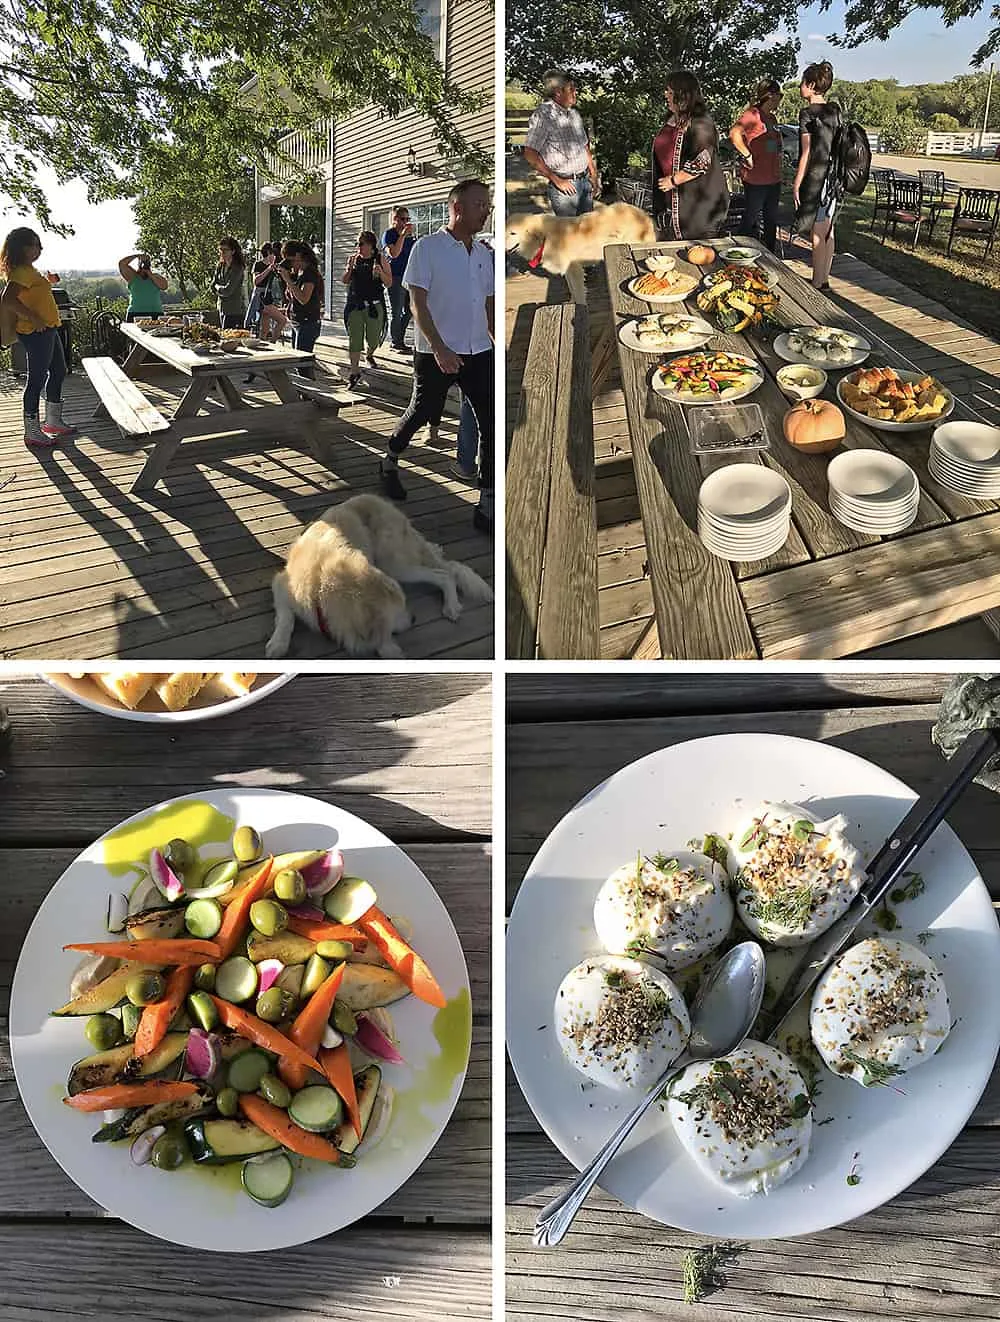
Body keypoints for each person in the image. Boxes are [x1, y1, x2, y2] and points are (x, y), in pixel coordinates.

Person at [379, 179, 494, 534]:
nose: (486, 210)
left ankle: (487, 501)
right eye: (480, 205)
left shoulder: (484, 254)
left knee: (491, 421)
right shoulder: (427, 248)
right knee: (423, 410)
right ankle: (390, 459)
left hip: (479, 350)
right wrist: (440, 347)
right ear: (457, 208)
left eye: (487, 205)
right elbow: (417, 303)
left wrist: (498, 341)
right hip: (436, 352)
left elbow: (488, 302)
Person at [0, 226, 77, 448]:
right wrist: (33, 318)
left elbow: (31, 293)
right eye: (34, 244)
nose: (39, 249)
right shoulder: (22, 272)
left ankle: (53, 421)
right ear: (21, 247)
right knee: (36, 379)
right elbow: (8, 299)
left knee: (59, 370)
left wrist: (47, 282)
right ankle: (32, 431)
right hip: (36, 332)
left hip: (48, 329)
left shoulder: (28, 270)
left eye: (39, 245)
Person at [652, 71, 730, 240]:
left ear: (683, 95)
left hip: (700, 205)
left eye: (670, 91)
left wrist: (673, 180)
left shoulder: (700, 122)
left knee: (700, 255)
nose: (666, 95)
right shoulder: (673, 119)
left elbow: (703, 160)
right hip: (674, 201)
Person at [523, 71, 599, 217]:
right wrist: (556, 180)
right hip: (564, 187)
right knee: (568, 236)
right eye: (571, 89)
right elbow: (530, 153)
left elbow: (585, 147)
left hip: (584, 183)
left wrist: (594, 175)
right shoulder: (544, 115)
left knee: (587, 232)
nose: (575, 93)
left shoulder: (574, 114)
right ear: (558, 92)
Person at [793, 61, 841, 290]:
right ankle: (824, 277)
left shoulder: (807, 114)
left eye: (802, 83)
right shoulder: (835, 111)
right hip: (834, 179)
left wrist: (796, 183)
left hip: (817, 178)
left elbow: (806, 154)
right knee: (829, 230)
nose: (800, 87)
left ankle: (818, 282)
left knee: (817, 232)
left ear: (811, 85)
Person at [729, 79, 783, 253]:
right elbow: (734, 133)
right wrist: (747, 155)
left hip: (773, 179)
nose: (780, 99)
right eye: (779, 95)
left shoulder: (772, 118)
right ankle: (738, 252)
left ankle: (770, 256)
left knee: (771, 219)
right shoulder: (752, 114)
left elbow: (773, 145)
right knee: (750, 217)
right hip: (756, 179)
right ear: (769, 95)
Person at [342, 230, 392, 388]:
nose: (359, 247)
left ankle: (369, 354)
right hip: (355, 304)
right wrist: (349, 268)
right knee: (354, 339)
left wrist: (381, 273)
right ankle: (354, 372)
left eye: (361, 244)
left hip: (374, 305)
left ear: (371, 245)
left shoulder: (380, 259)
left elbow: (389, 282)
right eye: (357, 244)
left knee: (373, 338)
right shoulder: (354, 259)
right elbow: (344, 280)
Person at [276, 240, 324, 377]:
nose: (289, 264)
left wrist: (288, 280)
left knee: (303, 364)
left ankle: (311, 395)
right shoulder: (300, 273)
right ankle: (307, 394)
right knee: (299, 363)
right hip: (298, 322)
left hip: (308, 323)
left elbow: (304, 299)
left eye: (290, 261)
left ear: (298, 256)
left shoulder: (310, 273)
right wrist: (289, 282)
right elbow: (294, 297)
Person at [381, 206, 416, 352]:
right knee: (396, 310)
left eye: (408, 219)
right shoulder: (389, 234)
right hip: (394, 277)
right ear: (395, 220)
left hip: (409, 276)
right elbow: (394, 253)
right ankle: (395, 342)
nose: (406, 222)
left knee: (410, 310)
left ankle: (399, 339)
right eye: (403, 219)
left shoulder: (409, 237)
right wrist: (402, 236)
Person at [118, 252, 167, 321]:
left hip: (155, 313)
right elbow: (122, 264)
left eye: (147, 263)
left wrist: (151, 275)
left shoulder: (156, 277)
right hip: (135, 313)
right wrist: (137, 256)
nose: (144, 265)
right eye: (143, 263)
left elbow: (164, 286)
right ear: (139, 264)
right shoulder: (133, 276)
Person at [213, 237, 246, 328]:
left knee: (230, 338)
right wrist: (217, 288)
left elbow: (228, 290)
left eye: (225, 250)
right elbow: (212, 285)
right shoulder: (220, 266)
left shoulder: (238, 268)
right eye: (221, 250)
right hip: (222, 307)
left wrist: (217, 287)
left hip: (234, 310)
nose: (222, 252)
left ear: (233, 251)